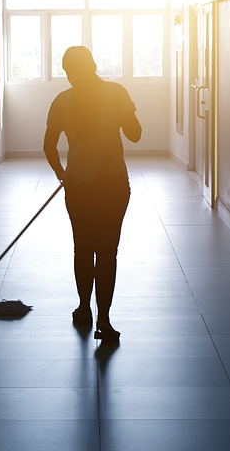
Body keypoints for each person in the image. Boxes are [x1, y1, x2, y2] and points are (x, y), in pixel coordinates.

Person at [43, 46, 142, 342]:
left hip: (79, 188)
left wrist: (62, 174)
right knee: (107, 253)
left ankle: (84, 308)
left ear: (68, 72)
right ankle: (105, 320)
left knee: (83, 249)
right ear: (94, 65)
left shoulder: (61, 101)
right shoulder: (116, 93)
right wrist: (123, 116)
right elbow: (136, 134)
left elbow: (48, 146)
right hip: (112, 186)